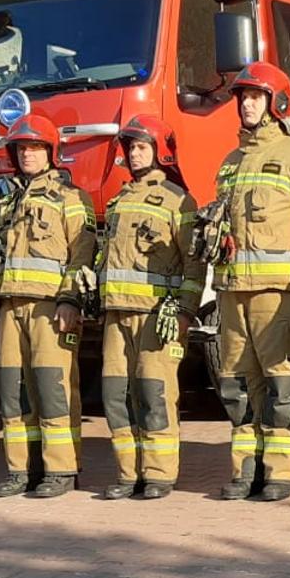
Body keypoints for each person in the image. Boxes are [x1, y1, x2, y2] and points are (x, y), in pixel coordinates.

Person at [208, 61, 290, 502]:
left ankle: (279, 472)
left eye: (255, 96)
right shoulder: (230, 162)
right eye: (242, 96)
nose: (245, 103)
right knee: (236, 386)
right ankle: (246, 471)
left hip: (278, 293)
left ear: (277, 103)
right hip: (231, 292)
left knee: (281, 386)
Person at [0, 114, 96, 499]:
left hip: (51, 310)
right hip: (10, 308)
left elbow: (82, 254)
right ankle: (22, 470)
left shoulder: (71, 198)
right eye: (21, 149)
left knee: (54, 390)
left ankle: (61, 471)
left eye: (34, 148)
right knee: (14, 393)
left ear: (50, 152)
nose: (27, 155)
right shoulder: (9, 201)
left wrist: (70, 300)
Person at [94, 114, 204, 500]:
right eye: (131, 147)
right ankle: (128, 474)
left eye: (142, 146)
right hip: (116, 315)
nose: (135, 154)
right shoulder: (120, 200)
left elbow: (194, 261)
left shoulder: (178, 200)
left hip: (159, 316)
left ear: (160, 151)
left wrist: (186, 310)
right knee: (116, 396)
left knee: (154, 393)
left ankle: (158, 474)